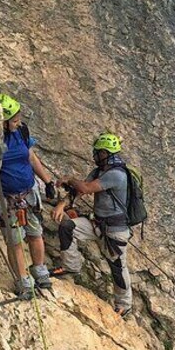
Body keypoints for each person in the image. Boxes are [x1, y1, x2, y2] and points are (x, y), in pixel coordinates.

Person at [51, 133, 133, 318]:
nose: (94, 155)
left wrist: (70, 179)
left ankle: (124, 304)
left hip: (115, 230)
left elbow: (85, 188)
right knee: (67, 226)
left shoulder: (117, 175)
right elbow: (80, 190)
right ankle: (71, 265)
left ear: (104, 153)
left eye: (97, 152)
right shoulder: (99, 171)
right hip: (97, 223)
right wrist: (62, 205)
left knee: (118, 266)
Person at [0, 93, 57, 299]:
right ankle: (23, 281)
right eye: (14, 120)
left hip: (29, 193)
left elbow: (31, 157)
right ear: (3, 122)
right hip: (9, 199)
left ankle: (39, 271)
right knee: (14, 240)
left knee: (35, 232)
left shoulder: (21, 132)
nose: (18, 122)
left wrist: (47, 181)